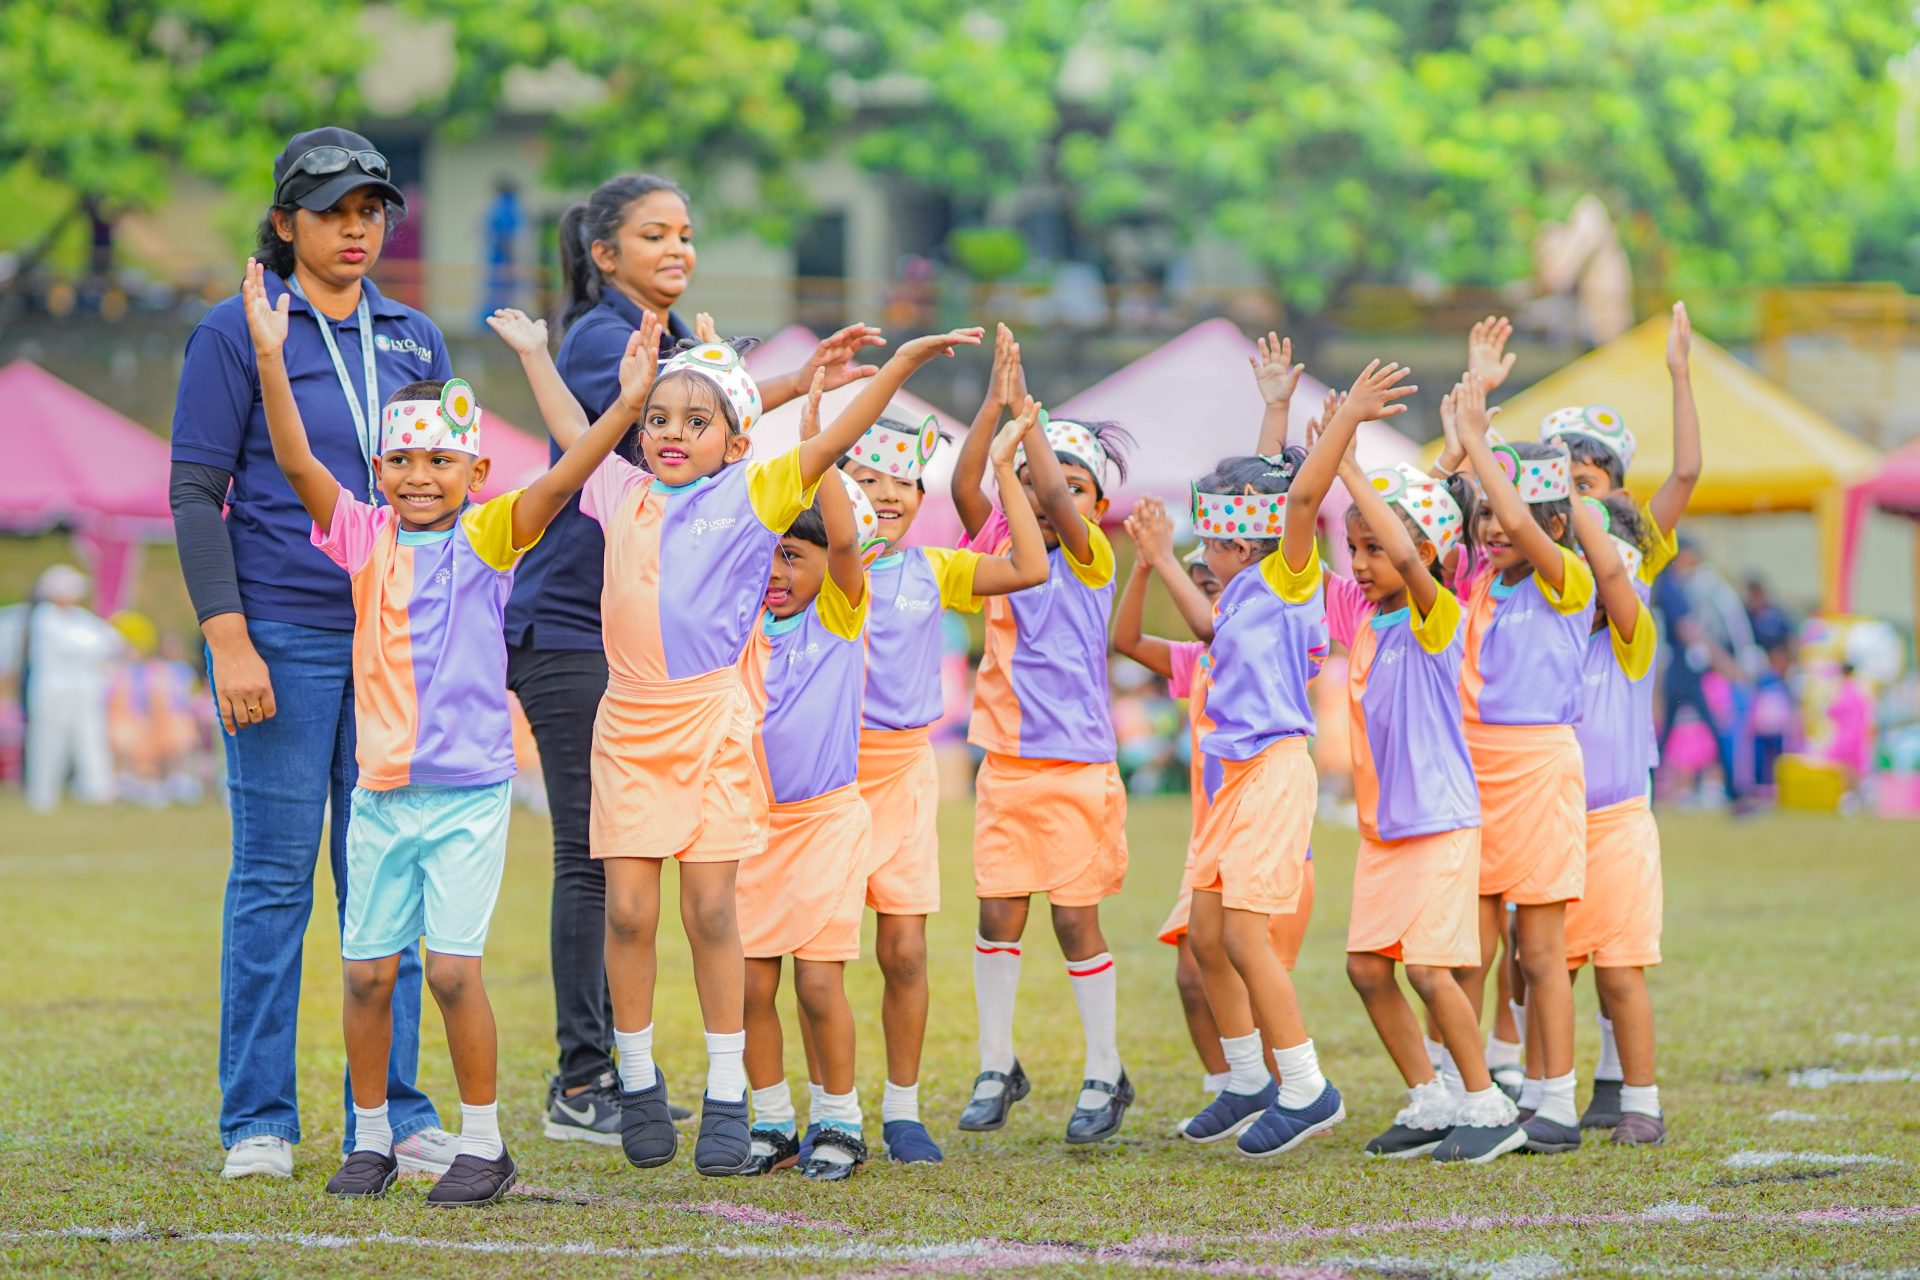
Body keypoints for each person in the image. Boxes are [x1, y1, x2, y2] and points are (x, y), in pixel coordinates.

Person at [247, 272, 653, 1202]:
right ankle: (375, 1137)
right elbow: (298, 460)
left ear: (475, 474)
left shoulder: (491, 538)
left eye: (440, 464)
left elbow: (565, 477)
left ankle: (484, 1141)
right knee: (363, 978)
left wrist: (627, 404)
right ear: (380, 471)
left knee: (454, 973)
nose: (419, 479)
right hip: (379, 793)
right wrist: (272, 356)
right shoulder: (360, 535)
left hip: (465, 796)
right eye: (402, 463)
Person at [504, 172, 889, 1143]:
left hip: (707, 712)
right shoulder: (614, 357)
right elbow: (599, 439)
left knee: (709, 906)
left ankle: (723, 1089)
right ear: (604, 251)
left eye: (687, 232)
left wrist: (835, 379)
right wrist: (544, 360)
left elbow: (749, 426)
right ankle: (615, 1078)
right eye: (654, 233)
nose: (678, 247)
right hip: (616, 696)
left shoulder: (719, 457)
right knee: (618, 897)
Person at [565, 323, 983, 1177]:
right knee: (670, 935)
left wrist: (894, 367)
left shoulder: (798, 557)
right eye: (660, 420)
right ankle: (701, 1097)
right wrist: (557, 364)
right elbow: (582, 449)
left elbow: (826, 457)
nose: (779, 574)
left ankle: (807, 1112)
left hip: (776, 783)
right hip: (669, 753)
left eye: (694, 421)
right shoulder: (653, 521)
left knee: (774, 955)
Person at [169, 127, 451, 1179]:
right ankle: (259, 1120)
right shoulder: (233, 331)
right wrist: (228, 634)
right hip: (279, 636)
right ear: (285, 221)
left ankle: (399, 1108)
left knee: (390, 877)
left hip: (395, 638)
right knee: (278, 882)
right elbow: (196, 493)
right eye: (333, 210)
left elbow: (441, 494)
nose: (356, 228)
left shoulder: (416, 336)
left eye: (372, 209)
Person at [837, 325, 1049, 1165]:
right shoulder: (810, 568)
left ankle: (901, 1108)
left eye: (899, 482)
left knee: (905, 947)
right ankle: (813, 1105)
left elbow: (1030, 567)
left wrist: (1002, 462)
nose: (884, 495)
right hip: (818, 780)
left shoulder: (936, 569)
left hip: (902, 774)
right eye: (864, 478)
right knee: (809, 955)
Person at [1308, 409, 1526, 1163]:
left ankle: (1488, 1104)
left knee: (1431, 971)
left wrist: (1349, 467)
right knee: (1367, 968)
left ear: (1429, 557)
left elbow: (1407, 542)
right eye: (1356, 550)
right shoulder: (1361, 616)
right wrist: (1328, 461)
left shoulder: (1439, 618)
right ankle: (1430, 1098)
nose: (1362, 564)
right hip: (1386, 831)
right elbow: (1306, 537)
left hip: (1440, 823)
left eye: (1375, 552)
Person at [950, 350, 1137, 1146]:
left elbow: (1055, 497)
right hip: (1007, 766)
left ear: (1098, 506)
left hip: (1076, 771)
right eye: (1028, 482)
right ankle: (998, 1063)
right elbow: (965, 489)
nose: (1045, 492)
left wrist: (1030, 433)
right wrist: (995, 411)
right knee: (997, 914)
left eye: (1070, 485)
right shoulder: (1004, 551)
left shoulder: (1091, 560)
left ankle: (1105, 1069)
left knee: (1072, 921)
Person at [1114, 498, 1314, 1132]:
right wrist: (1147, 565)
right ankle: (1245, 1079)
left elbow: (1297, 498)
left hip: (1269, 803)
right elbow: (1126, 641)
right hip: (1223, 819)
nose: (1207, 589)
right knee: (1205, 947)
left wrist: (1164, 558)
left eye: (1212, 570)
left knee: (1247, 952)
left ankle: (1305, 1089)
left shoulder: (1280, 606)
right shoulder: (1208, 652)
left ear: (1246, 557)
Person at [1451, 373, 1597, 1155]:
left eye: (1509, 518)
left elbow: (1513, 517)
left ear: (1550, 521)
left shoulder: (1567, 580)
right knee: (1470, 947)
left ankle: (1556, 1102)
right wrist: (1461, 440)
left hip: (1538, 768)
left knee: (1541, 950)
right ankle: (1465, 1088)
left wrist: (1479, 439)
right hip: (1475, 769)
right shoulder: (1480, 587)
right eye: (1484, 519)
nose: (1492, 530)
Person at [1563, 495, 1669, 1147]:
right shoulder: (1555, 638)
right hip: (1553, 825)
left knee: (1619, 971)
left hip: (1620, 827)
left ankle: (1641, 1102)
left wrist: (1571, 501)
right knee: (1544, 968)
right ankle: (1543, 1095)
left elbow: (1608, 577)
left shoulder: (1633, 640)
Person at [22, 565, 121, 812]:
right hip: (52, 695)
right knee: (48, 745)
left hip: (85, 694)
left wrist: (96, 645)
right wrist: (94, 646)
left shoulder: (80, 617)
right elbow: (79, 645)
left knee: (91, 741)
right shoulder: (43, 616)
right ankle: (42, 796)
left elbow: (112, 641)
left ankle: (99, 791)